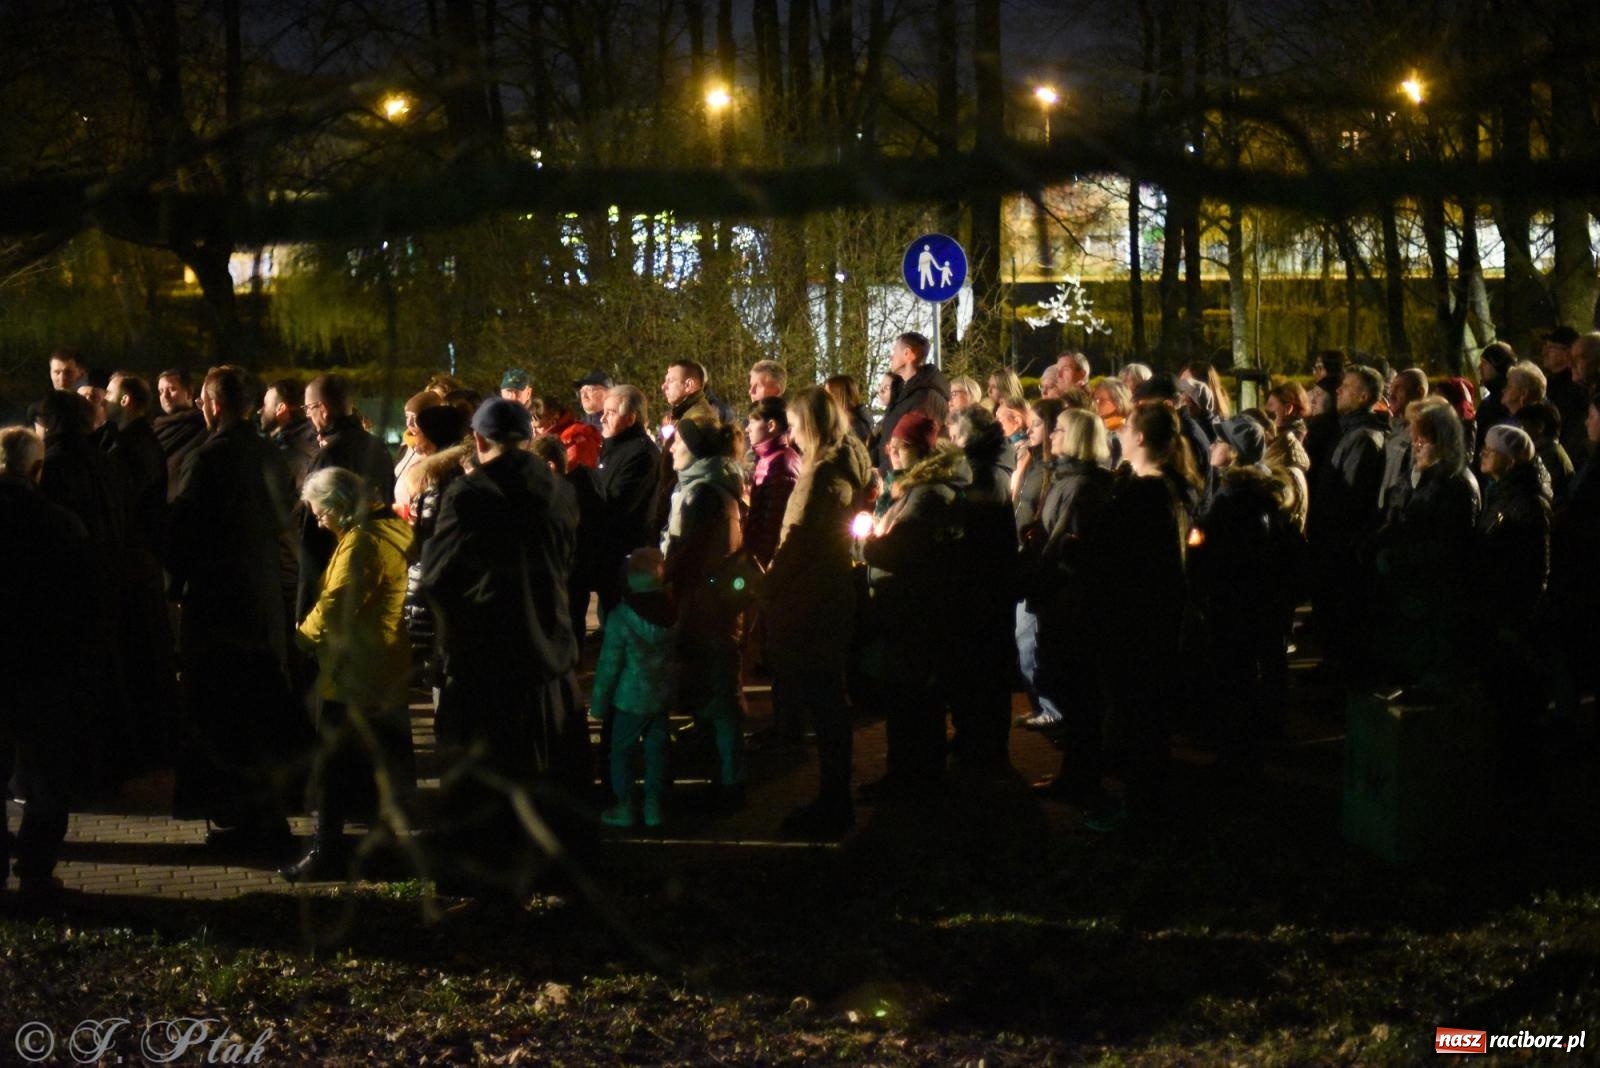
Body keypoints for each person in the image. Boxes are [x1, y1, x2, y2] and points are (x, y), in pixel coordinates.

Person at [418, 398, 590, 898]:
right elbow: (570, 560)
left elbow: (438, 574)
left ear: (478, 440)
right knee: (549, 766)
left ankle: (487, 867)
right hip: (547, 645)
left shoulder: (469, 494)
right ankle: (553, 863)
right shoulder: (558, 490)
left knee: (487, 772)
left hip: (487, 653)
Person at [166, 366, 300, 860]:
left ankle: (240, 821)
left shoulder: (209, 459)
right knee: (260, 712)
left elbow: (185, 531)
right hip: (262, 597)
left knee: (223, 715)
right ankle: (265, 819)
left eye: (203, 399)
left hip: (220, 603)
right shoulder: (270, 453)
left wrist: (171, 575)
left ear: (214, 404)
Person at [282, 467, 415, 883]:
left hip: (356, 667)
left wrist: (300, 639)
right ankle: (380, 848)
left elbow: (339, 603)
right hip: (382, 664)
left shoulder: (363, 543)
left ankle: (327, 851)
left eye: (321, 512)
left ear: (340, 505)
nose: (318, 521)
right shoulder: (388, 529)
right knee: (371, 766)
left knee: (333, 767)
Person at [768, 386, 874, 838]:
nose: (789, 434)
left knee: (824, 697)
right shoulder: (846, 465)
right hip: (827, 589)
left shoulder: (821, 477)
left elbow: (798, 542)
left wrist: (767, 586)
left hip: (813, 596)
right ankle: (835, 796)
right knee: (828, 696)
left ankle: (834, 801)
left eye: (794, 425)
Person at [1092, 403, 1199, 827]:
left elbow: (1122, 557)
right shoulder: (1168, 487)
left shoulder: (1146, 494)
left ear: (1139, 439)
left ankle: (1140, 810)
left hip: (1135, 623)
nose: (1118, 434)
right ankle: (1145, 804)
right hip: (1152, 620)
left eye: (1126, 429)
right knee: (1145, 718)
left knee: (1137, 718)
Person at [0, 427, 91, 904]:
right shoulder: (61, 524)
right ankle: (36, 868)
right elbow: (82, 603)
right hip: (44, 665)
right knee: (47, 775)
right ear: (38, 471)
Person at [1191, 415, 1304, 779]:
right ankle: (1246, 748)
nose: (1211, 445)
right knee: (1242, 675)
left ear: (1236, 452)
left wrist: (1199, 554)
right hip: (1249, 601)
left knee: (1235, 677)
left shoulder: (1238, 498)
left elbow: (1229, 554)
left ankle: (1238, 757)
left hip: (1236, 602)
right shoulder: (1249, 492)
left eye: (1219, 441)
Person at [861, 412, 968, 794]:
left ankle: (912, 774)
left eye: (899, 446)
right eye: (890, 444)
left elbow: (903, 550)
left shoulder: (927, 496)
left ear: (918, 449)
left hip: (915, 611)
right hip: (907, 609)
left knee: (913, 697)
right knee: (910, 695)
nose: (891, 451)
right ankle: (915, 771)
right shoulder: (914, 491)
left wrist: (865, 544)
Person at [1026, 409, 1114, 802]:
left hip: (1072, 605)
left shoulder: (1081, 487)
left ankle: (1081, 777)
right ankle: (1077, 773)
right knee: (1076, 693)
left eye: (1060, 429)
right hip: (1063, 602)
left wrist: (1041, 569)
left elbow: (1067, 548)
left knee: (1079, 695)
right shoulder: (1069, 480)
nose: (1052, 434)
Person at [662, 414, 749, 803]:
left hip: (706, 605)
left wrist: (662, 577)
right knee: (717, 689)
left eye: (678, 443)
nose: (671, 449)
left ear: (695, 449)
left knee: (719, 691)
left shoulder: (701, 495)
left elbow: (689, 555)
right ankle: (725, 772)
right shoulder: (712, 487)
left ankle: (731, 780)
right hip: (713, 602)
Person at [1475, 423, 1552, 813]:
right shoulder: (1501, 493)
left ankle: (1521, 788)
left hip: (1512, 614)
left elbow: (1534, 568)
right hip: (1498, 610)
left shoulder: (1524, 502)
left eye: (1490, 450)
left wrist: (1516, 619)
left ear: (1509, 458)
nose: (1483, 455)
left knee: (1515, 701)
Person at [1375, 399, 1479, 683]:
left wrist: (1399, 558)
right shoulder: (1414, 476)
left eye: (1423, 438)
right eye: (1414, 436)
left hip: (1433, 595)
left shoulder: (1455, 484)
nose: (1415, 444)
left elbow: (1450, 545)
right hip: (1409, 590)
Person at [947, 406, 1020, 766]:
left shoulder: (985, 475)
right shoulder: (982, 469)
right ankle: (972, 736)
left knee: (986, 669)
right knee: (974, 667)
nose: (952, 442)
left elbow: (979, 533)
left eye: (957, 436)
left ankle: (989, 745)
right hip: (980, 583)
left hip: (984, 585)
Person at [1307, 365, 1389, 683]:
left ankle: (1341, 679)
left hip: (1340, 546)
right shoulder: (1348, 433)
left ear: (1365, 396)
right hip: (1332, 541)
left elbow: (1350, 499)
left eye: (1348, 387)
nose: (1338, 390)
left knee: (1342, 615)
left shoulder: (1363, 439)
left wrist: (1329, 532)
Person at [590, 548, 678, 830]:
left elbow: (609, 666)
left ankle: (625, 805)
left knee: (622, 753)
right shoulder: (672, 614)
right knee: (657, 751)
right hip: (661, 696)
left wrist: (599, 704)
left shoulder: (621, 619)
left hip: (630, 699)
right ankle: (654, 806)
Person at [299, 374, 394, 619]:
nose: (307, 416)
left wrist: (304, 607)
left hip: (336, 575)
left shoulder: (327, 457)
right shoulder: (378, 447)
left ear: (323, 408)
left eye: (309, 408)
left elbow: (312, 534)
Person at [1011, 397, 1064, 728]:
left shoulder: (1051, 471)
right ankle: (1044, 705)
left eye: (1037, 424)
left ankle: (1051, 708)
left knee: (1030, 636)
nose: (1028, 429)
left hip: (1037, 562)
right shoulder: (1033, 464)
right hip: (1023, 558)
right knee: (1025, 637)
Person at [595, 385, 662, 617]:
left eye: (611, 412)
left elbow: (620, 502)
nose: (602, 418)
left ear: (631, 418)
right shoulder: (612, 448)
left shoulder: (642, 453)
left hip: (627, 553)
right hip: (609, 551)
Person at [874, 331, 951, 475]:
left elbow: (912, 444)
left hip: (908, 477)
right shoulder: (900, 391)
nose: (891, 356)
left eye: (895, 351)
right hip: (892, 475)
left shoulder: (927, 397)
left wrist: (882, 471)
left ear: (908, 354)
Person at [744, 396, 801, 569]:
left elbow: (774, 522)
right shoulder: (767, 459)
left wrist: (761, 562)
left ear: (771, 425)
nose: (747, 429)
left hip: (764, 561)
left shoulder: (782, 463)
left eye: (752, 422)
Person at [152, 369, 208, 501]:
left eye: (171, 389)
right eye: (160, 391)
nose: (165, 396)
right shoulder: (155, 429)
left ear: (188, 392)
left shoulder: (202, 426)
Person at [1379, 368, 1428, 513]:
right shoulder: (1389, 430)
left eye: (1398, 389)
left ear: (1419, 393)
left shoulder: (1424, 436)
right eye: (1390, 388)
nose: (1391, 394)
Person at [261, 377, 319, 493]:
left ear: (281, 408)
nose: (260, 411)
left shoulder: (283, 454)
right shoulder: (315, 442)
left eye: (265, 405)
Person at [824, 374, 874, 446]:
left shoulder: (854, 423)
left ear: (839, 395)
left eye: (828, 394)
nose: (825, 398)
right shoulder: (841, 420)